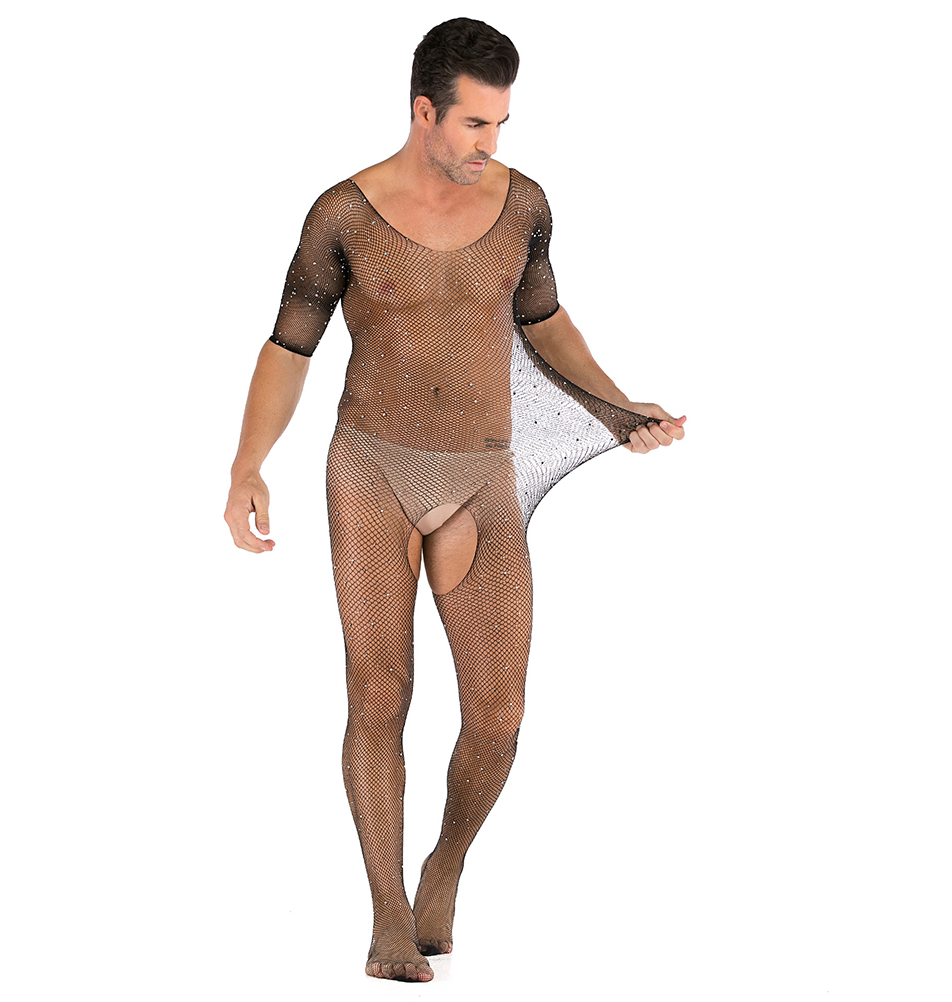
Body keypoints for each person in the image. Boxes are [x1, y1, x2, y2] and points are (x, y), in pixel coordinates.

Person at [224, 17, 686, 983]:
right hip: (372, 467)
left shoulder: (525, 205)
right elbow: (290, 345)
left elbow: (544, 322)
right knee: (377, 694)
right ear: (423, 111)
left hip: (480, 471)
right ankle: (388, 914)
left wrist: (618, 401)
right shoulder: (343, 214)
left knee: (498, 717)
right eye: (475, 123)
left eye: (502, 123)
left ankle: (446, 861)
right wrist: (247, 466)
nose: (491, 143)